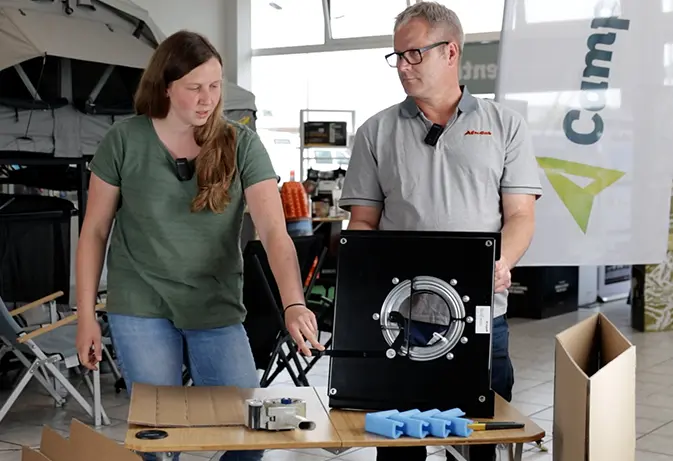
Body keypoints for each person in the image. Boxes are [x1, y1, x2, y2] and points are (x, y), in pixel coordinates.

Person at [74, 30, 323, 461]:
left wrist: (294, 303)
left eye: (215, 85)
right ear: (166, 86)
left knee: (250, 435)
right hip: (140, 302)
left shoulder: (241, 143)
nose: (207, 98)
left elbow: (274, 233)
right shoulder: (124, 140)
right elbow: (94, 231)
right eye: (194, 88)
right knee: (158, 439)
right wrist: (84, 318)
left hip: (215, 303)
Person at [338, 2, 542, 461]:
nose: (402, 67)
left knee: (479, 441)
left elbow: (521, 216)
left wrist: (501, 263)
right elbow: (364, 224)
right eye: (397, 57)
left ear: (450, 52)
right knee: (401, 445)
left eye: (414, 55)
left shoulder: (504, 125)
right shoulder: (376, 133)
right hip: (401, 318)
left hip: (482, 315)